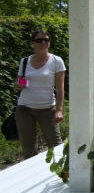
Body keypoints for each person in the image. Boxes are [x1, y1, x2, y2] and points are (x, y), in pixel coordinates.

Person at [13, 30, 65, 159]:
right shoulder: (25, 61)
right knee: (28, 150)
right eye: (39, 40)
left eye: (46, 40)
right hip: (24, 109)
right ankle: (31, 176)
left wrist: (59, 110)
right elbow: (19, 81)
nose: (43, 42)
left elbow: (60, 88)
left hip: (47, 110)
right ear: (32, 43)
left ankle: (62, 175)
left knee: (56, 147)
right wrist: (18, 84)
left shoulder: (56, 61)